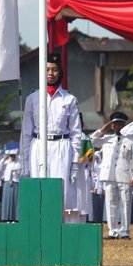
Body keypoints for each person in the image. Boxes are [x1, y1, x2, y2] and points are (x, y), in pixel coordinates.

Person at [21, 53, 82, 222]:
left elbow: (76, 132)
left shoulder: (69, 99)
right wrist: (24, 163)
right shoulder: (32, 98)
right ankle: (38, 231)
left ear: (60, 72)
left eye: (54, 69)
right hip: (38, 145)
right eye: (47, 69)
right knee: (37, 190)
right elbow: (25, 132)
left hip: (61, 146)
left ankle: (58, 231)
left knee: (60, 192)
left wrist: (75, 162)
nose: (50, 73)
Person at [90, 112, 133, 239]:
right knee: (110, 203)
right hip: (108, 176)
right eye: (115, 124)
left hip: (124, 174)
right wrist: (103, 129)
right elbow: (91, 141)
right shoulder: (106, 139)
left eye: (120, 123)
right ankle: (113, 231)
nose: (117, 126)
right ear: (112, 126)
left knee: (126, 203)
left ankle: (125, 231)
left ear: (124, 125)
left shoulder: (130, 140)